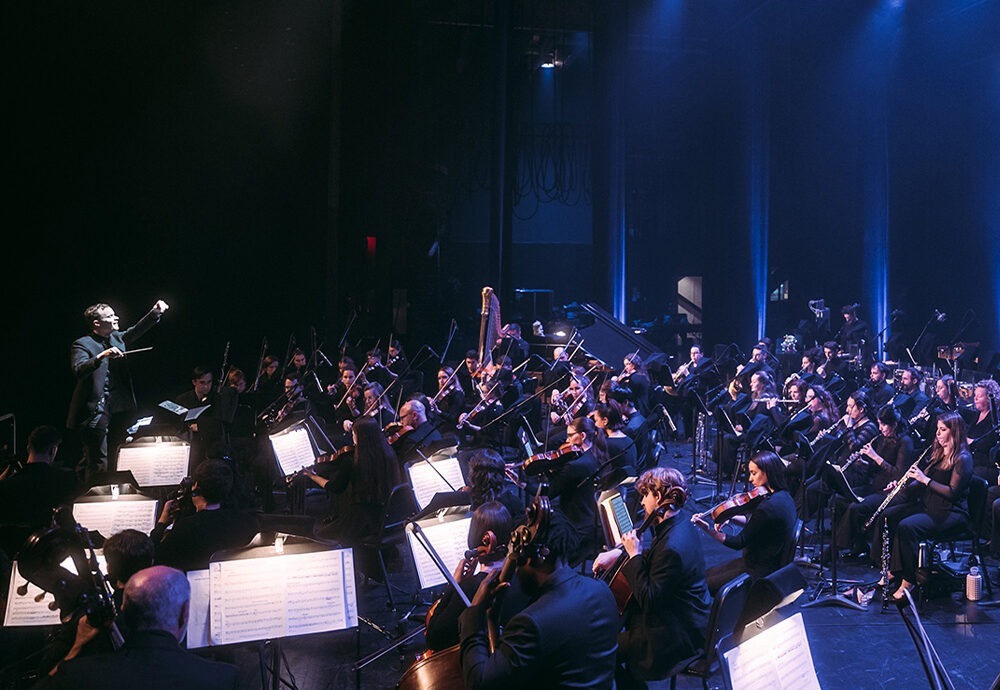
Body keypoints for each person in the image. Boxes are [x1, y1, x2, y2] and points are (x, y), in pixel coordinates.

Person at [458, 509, 619, 689]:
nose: (516, 570)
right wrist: (492, 617)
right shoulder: (601, 590)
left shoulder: (530, 624)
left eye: (518, 561)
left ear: (535, 559)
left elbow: (479, 683)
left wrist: (474, 611)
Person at [592, 467, 710, 689]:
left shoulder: (672, 547)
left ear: (658, 497)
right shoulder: (680, 523)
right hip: (687, 616)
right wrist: (620, 553)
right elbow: (657, 557)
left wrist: (634, 555)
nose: (642, 502)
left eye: (645, 495)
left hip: (674, 635)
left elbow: (649, 599)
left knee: (599, 649)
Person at [39, 565, 239, 689]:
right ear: (184, 613)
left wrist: (76, 647)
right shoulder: (224, 679)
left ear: (123, 611)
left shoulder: (77, 675)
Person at [67, 300, 170, 484]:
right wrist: (102, 356)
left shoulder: (116, 337)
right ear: (97, 323)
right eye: (110, 316)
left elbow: (136, 330)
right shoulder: (82, 344)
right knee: (98, 459)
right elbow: (79, 369)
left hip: (117, 407)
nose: (116, 318)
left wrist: (155, 312)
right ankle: (95, 493)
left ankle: (83, 486)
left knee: (104, 452)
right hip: (94, 410)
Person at [877, 411, 973, 600]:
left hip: (951, 513)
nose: (938, 433)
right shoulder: (938, 453)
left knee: (908, 527)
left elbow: (952, 493)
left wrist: (925, 480)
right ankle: (894, 570)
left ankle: (908, 581)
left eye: (943, 429)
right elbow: (920, 483)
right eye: (937, 429)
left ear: (954, 431)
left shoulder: (963, 458)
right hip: (931, 506)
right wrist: (901, 486)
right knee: (888, 516)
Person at [424, 502, 530, 653]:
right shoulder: (525, 574)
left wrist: (453, 586)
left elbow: (434, 639)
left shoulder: (470, 588)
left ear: (476, 539)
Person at [692, 451, 797, 594]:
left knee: (698, 587)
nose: (750, 479)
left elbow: (738, 542)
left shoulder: (768, 508)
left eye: (754, 473)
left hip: (757, 570)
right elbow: (756, 524)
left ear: (767, 472)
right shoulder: (784, 496)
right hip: (764, 562)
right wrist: (730, 516)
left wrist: (708, 530)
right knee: (703, 576)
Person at [151, 460, 258, 572]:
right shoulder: (248, 522)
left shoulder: (186, 528)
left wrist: (161, 524)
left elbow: (155, 559)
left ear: (195, 488)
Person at [0, 426, 82, 563]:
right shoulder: (66, 479)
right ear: (53, 450)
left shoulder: (7, 485)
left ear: (28, 448)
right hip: (55, 556)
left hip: (15, 559)